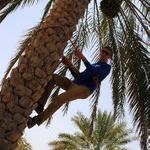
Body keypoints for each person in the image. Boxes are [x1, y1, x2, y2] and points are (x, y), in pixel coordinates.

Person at [27, 46, 112, 128]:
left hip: (84, 89)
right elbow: (79, 76)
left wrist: (82, 58)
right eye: (103, 51)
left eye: (107, 53)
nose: (104, 54)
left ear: (109, 57)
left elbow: (95, 72)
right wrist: (69, 66)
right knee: (53, 77)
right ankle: (40, 105)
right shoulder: (94, 64)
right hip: (73, 84)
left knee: (60, 99)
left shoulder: (107, 68)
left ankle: (34, 121)